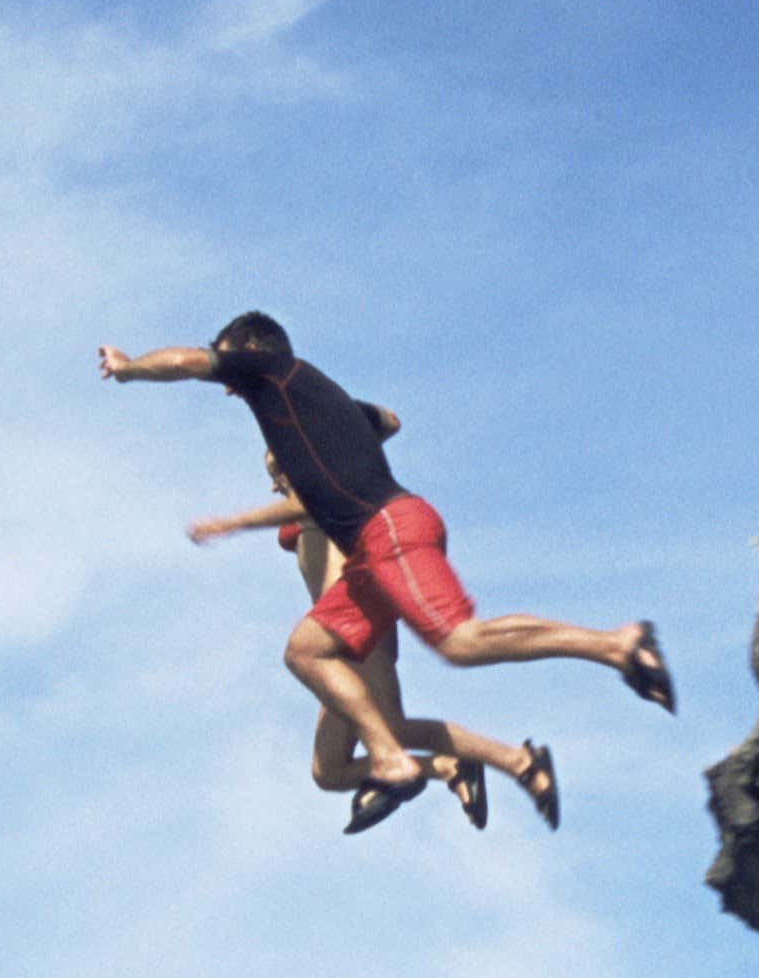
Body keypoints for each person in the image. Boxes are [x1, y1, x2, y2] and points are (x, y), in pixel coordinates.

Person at [100, 310, 672, 831]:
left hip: (389, 527)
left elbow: (184, 361)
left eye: (226, 360)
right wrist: (338, 432)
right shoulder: (308, 395)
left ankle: (616, 645)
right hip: (371, 557)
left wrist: (128, 369)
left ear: (250, 348)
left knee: (459, 641)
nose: (226, 385)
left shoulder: (269, 368)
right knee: (304, 651)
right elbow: (389, 419)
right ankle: (395, 761)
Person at [187, 435, 562, 832]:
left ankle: (516, 761)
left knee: (392, 729)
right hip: (333, 636)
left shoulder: (325, 493)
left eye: (277, 472)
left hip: (356, 626)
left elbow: (356, 450)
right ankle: (449, 766)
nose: (273, 485)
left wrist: (233, 523)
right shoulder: (309, 504)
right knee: (329, 769)